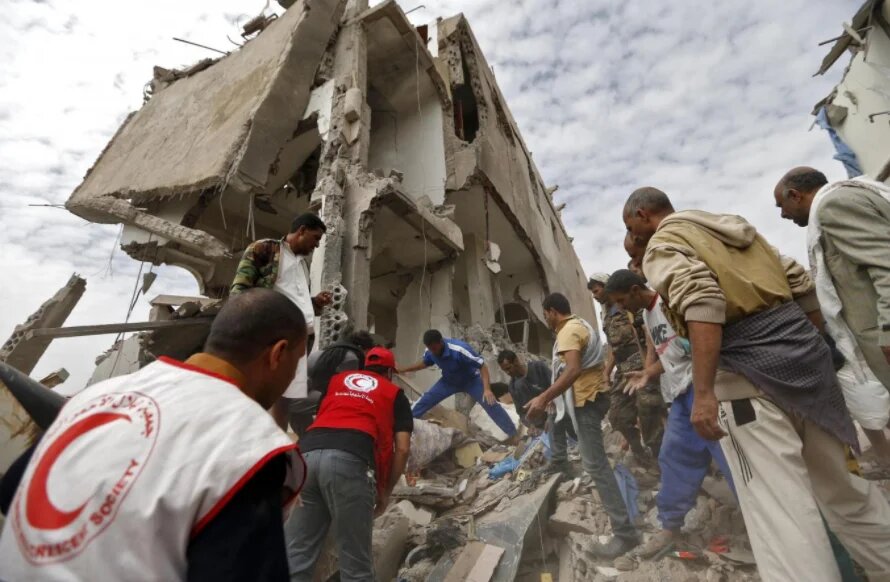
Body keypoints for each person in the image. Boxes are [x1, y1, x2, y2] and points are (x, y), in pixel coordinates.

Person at [623, 186, 890, 582]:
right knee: (844, 492)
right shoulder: (734, 229)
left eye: (632, 229)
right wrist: (804, 349)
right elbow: (801, 283)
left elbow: (701, 302)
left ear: (643, 215)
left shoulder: (664, 243)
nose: (635, 240)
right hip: (808, 370)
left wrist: (705, 393)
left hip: (747, 382)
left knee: (782, 517)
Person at [0, 289, 309, 581]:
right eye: (296, 365)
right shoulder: (250, 442)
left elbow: (14, 488)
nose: (293, 378)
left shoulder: (94, 398)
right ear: (278, 354)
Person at [606, 269, 735, 558]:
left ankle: (765, 523)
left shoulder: (669, 304)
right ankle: (670, 528)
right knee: (673, 457)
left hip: (703, 389)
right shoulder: (647, 316)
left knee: (732, 460)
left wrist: (704, 393)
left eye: (622, 300)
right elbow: (671, 356)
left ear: (636, 290)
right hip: (680, 396)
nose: (621, 307)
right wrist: (648, 372)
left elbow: (701, 343)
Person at [773, 167, 890, 459]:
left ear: (795, 195)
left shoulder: (832, 207)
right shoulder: (852, 195)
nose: (783, 215)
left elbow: (885, 265)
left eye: (781, 206)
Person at [524, 293, 640, 559]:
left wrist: (544, 397)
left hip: (586, 402)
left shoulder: (569, 331)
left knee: (595, 465)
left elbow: (573, 369)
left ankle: (625, 534)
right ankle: (561, 464)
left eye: (545, 314)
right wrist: (549, 400)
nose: (545, 319)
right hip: (587, 398)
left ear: (552, 311)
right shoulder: (580, 325)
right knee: (557, 422)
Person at [285, 347, 412, 581]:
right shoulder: (395, 394)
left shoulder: (336, 382)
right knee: (355, 564)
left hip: (306, 456)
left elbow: (322, 417)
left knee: (297, 554)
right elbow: (402, 449)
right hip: (351, 457)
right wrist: (385, 491)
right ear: (389, 373)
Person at [230, 212, 334, 430]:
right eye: (315, 238)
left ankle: (277, 438)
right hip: (272, 335)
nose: (316, 245)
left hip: (299, 339)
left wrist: (315, 302)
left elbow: (296, 300)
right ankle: (247, 436)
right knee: (259, 391)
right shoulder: (265, 249)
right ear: (302, 230)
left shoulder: (302, 265)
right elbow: (240, 289)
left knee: (285, 395)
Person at [588, 273, 665, 461]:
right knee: (617, 415)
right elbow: (613, 346)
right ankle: (640, 453)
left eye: (596, 291)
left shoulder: (629, 305)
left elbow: (645, 335)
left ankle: (661, 458)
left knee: (649, 412)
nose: (594, 296)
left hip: (639, 362)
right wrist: (607, 371)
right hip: (622, 367)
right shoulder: (606, 314)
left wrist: (649, 367)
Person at [399, 330, 517, 439]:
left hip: (471, 381)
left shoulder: (460, 349)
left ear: (441, 342)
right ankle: (401, 425)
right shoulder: (430, 350)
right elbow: (425, 363)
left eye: (434, 348)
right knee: (426, 399)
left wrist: (487, 389)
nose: (432, 351)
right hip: (449, 381)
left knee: (490, 403)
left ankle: (514, 435)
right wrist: (404, 369)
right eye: (430, 349)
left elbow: (482, 366)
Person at [286, 330, 377, 437]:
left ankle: (308, 439)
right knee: (344, 402)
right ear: (362, 348)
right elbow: (347, 390)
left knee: (307, 434)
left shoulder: (330, 351)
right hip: (297, 398)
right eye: (368, 353)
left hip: (291, 397)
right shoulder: (351, 358)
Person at [497, 350, 574, 472]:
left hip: (558, 409)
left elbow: (557, 387)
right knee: (534, 451)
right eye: (504, 370)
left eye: (508, 368)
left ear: (516, 361)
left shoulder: (538, 368)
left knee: (569, 433)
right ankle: (560, 463)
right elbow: (521, 412)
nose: (507, 372)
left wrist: (551, 415)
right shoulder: (513, 387)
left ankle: (566, 457)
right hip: (541, 425)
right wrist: (531, 425)